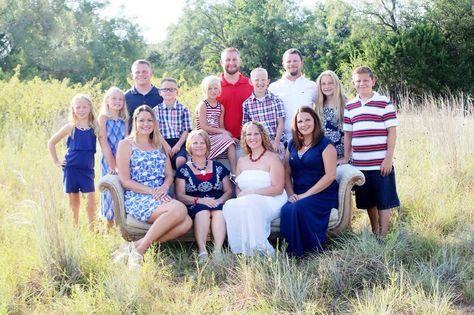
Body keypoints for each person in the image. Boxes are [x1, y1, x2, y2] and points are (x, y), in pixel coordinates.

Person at [113, 105, 192, 269]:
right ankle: (140, 252)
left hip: (159, 194)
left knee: (187, 223)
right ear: (135, 122)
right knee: (179, 209)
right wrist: (151, 191)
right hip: (139, 196)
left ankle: (136, 247)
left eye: (150, 120)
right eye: (141, 120)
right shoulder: (126, 145)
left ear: (155, 123)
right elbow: (125, 181)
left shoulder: (158, 144)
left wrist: (164, 187)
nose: (146, 124)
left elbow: (169, 175)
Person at [342, 66, 400, 240]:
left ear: (373, 81)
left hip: (380, 162)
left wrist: (388, 159)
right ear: (353, 83)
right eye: (358, 81)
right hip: (360, 164)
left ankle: (383, 235)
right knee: (368, 200)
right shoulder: (350, 106)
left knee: (384, 200)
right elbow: (348, 134)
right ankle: (375, 230)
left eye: (366, 80)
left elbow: (392, 132)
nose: (362, 84)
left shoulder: (384, 102)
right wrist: (346, 156)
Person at [280, 107, 338, 256]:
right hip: (299, 192)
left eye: (307, 120)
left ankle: (313, 251)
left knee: (299, 207)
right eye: (300, 121)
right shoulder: (292, 144)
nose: (304, 124)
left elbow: (330, 176)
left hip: (322, 193)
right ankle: (292, 254)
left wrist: (306, 195)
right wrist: (291, 193)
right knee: (286, 209)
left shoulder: (326, 144)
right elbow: (286, 171)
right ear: (295, 124)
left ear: (315, 121)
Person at [223, 121, 287, 256]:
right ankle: (241, 250)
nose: (253, 138)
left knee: (251, 203)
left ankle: (262, 251)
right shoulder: (241, 161)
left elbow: (278, 189)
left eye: (256, 134)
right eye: (248, 134)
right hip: (248, 201)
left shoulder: (272, 158)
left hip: (273, 200)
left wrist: (252, 193)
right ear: (244, 138)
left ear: (262, 136)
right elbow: (239, 187)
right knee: (230, 205)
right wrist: (241, 195)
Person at [175, 130, 232, 262]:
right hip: (195, 204)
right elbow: (180, 195)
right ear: (189, 146)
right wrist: (199, 200)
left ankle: (218, 251)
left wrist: (218, 201)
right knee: (203, 211)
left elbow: (228, 191)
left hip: (217, 202)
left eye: (202, 143)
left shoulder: (218, 167)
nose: (199, 145)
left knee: (219, 211)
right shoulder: (183, 169)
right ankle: (202, 250)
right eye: (195, 143)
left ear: (207, 145)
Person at [47, 94, 98, 227]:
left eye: (84, 107)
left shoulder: (94, 127)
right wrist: (57, 161)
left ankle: (93, 228)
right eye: (78, 107)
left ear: (90, 108)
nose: (81, 110)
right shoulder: (70, 127)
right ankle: (74, 228)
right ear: (73, 109)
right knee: (74, 202)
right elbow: (51, 142)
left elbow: (104, 141)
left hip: (87, 170)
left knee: (91, 201)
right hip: (71, 169)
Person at [268, 48, 317, 141]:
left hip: (308, 138)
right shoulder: (273, 88)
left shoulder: (312, 86)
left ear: (302, 62)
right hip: (283, 140)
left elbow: (322, 107)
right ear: (283, 64)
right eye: (288, 61)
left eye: (295, 61)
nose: (292, 64)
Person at [98, 87, 128, 228]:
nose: (117, 101)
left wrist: (122, 163)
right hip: (108, 159)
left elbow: (127, 141)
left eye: (120, 99)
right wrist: (113, 165)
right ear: (107, 101)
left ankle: (120, 223)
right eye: (114, 98)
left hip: (123, 158)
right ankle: (108, 224)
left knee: (122, 188)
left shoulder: (125, 119)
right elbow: (104, 143)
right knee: (109, 190)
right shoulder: (103, 118)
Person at [196, 75, 237, 174]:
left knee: (231, 143)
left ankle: (234, 173)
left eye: (215, 88)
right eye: (210, 88)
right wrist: (222, 132)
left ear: (219, 90)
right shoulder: (203, 105)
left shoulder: (220, 107)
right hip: (204, 136)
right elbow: (203, 127)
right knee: (226, 139)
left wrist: (226, 134)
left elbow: (221, 125)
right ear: (205, 90)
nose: (213, 91)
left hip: (216, 136)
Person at [242, 67, 286, 156]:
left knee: (276, 162)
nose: (260, 83)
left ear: (268, 81)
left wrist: (276, 142)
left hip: (275, 141)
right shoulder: (247, 104)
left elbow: (281, 123)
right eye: (257, 80)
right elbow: (245, 127)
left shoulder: (276, 100)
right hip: (257, 142)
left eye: (263, 80)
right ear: (251, 82)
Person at [153, 78, 192, 169]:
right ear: (160, 92)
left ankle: (179, 179)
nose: (168, 91)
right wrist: (165, 145)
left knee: (181, 160)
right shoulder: (155, 110)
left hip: (179, 141)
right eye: (165, 89)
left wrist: (178, 146)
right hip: (162, 141)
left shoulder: (184, 109)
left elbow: (186, 130)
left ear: (177, 92)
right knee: (161, 159)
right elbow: (156, 131)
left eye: (172, 89)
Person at [217, 47, 253, 140]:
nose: (231, 63)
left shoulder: (250, 84)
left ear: (240, 61)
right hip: (222, 139)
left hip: (249, 139)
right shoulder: (214, 87)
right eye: (227, 60)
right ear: (221, 62)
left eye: (234, 59)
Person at [314, 70, 348, 160]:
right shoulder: (317, 106)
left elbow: (353, 133)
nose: (327, 87)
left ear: (336, 84)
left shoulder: (346, 104)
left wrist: (346, 157)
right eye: (323, 84)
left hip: (343, 157)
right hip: (322, 156)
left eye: (330, 83)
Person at [124, 59, 163, 132]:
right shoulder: (125, 97)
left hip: (157, 141)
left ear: (151, 74)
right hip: (133, 141)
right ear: (132, 76)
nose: (141, 74)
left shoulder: (161, 95)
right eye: (137, 72)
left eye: (144, 71)